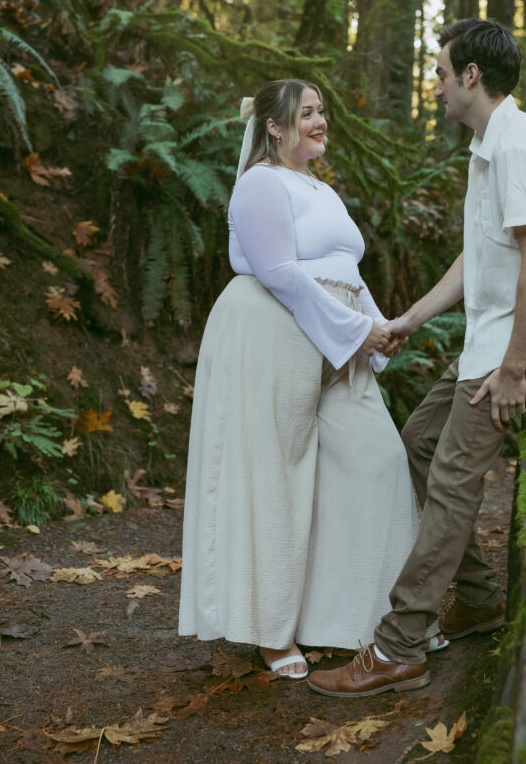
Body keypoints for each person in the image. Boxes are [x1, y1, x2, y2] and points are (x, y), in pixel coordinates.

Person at [308, 18, 526, 697]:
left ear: (469, 76)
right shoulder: (491, 145)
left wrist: (514, 369)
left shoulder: (516, 147)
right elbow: (479, 254)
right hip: (487, 346)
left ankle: (398, 645)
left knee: (452, 485)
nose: (432, 87)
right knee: (422, 441)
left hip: (520, 356)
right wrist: (409, 317)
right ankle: (482, 597)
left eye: (438, 73)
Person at [179, 79, 435, 680]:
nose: (321, 121)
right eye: (308, 112)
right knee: (274, 476)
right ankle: (271, 632)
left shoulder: (319, 189)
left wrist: (377, 326)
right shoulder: (259, 183)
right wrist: (355, 329)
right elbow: (279, 273)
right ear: (274, 125)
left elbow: (343, 268)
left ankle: (372, 623)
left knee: (377, 460)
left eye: (323, 111)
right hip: (270, 335)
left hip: (337, 341)